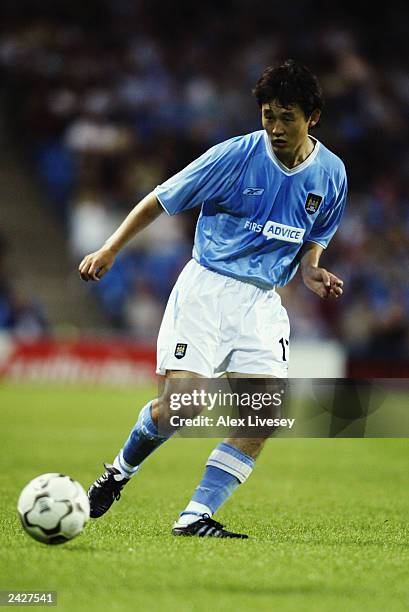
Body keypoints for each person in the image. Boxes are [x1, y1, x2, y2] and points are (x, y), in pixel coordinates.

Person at [79, 59, 347, 538]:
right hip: (208, 289)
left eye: (288, 116)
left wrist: (310, 270)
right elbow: (161, 199)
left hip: (263, 302)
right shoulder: (234, 157)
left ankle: (194, 515)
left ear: (313, 117)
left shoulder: (331, 174)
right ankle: (119, 470)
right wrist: (110, 248)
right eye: (268, 115)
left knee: (262, 415)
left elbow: (318, 232)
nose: (276, 127)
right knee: (184, 406)